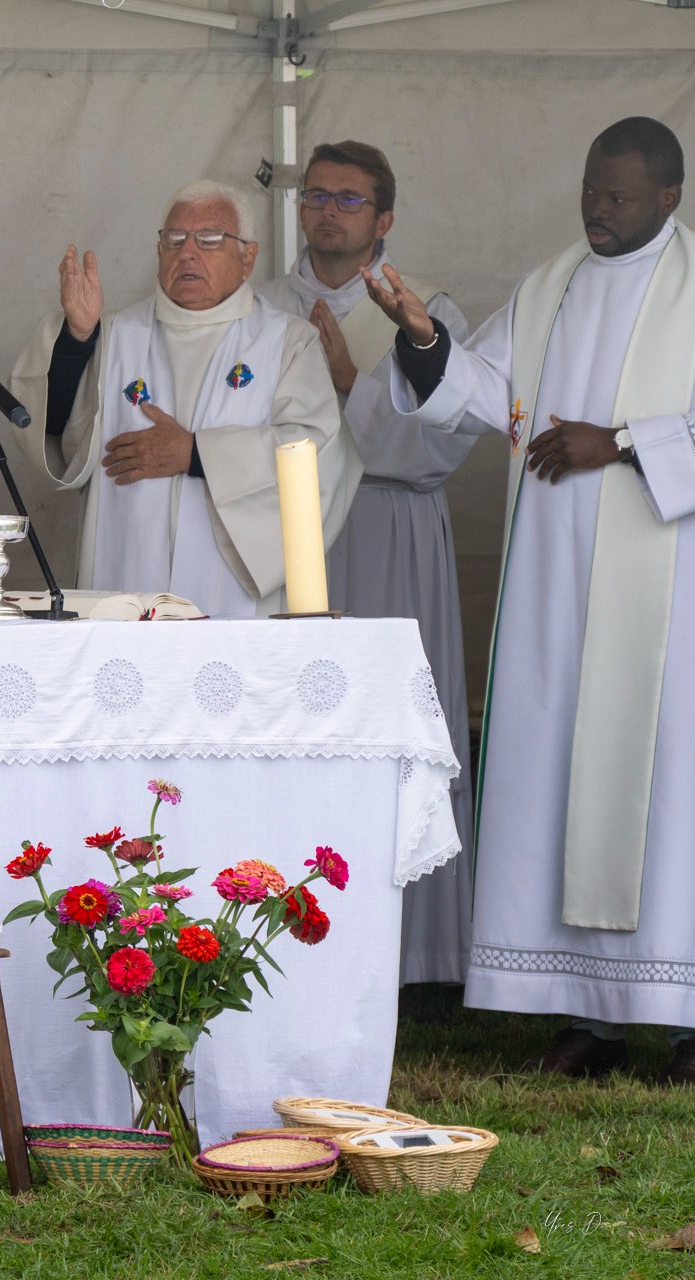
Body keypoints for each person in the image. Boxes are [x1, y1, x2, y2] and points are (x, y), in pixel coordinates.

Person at [369, 117, 695, 1082]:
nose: (598, 209)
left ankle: (681, 1020)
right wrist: (425, 341)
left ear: (669, 199)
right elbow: (482, 392)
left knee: (666, 790)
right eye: (591, 189)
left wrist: (626, 442)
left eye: (621, 197)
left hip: (667, 597)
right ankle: (583, 1011)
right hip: (554, 585)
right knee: (554, 767)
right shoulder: (548, 286)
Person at [255, 141, 477, 984]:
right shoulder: (260, 304)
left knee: (391, 735)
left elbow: (435, 448)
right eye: (315, 195)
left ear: (384, 219)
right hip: (288, 527)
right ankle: (286, 934)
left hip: (390, 527)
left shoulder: (424, 310)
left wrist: (350, 384)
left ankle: (412, 952)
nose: (327, 211)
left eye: (349, 200)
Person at [10, 181, 357, 617]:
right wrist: (78, 340)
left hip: (231, 585)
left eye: (209, 240)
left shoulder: (287, 341)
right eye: (174, 240)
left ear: (248, 258)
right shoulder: (115, 333)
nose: (187, 253)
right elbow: (56, 433)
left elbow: (314, 450)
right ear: (159, 254)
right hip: (125, 567)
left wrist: (195, 454)